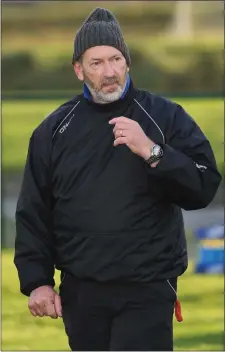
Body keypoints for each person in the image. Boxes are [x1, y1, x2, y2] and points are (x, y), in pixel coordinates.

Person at [14, 7, 221, 351]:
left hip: (148, 288)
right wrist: (37, 282)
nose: (109, 72)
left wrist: (153, 152)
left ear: (127, 62)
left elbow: (203, 186)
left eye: (116, 59)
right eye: (96, 63)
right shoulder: (53, 130)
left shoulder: (164, 117)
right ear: (78, 70)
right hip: (82, 293)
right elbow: (34, 210)